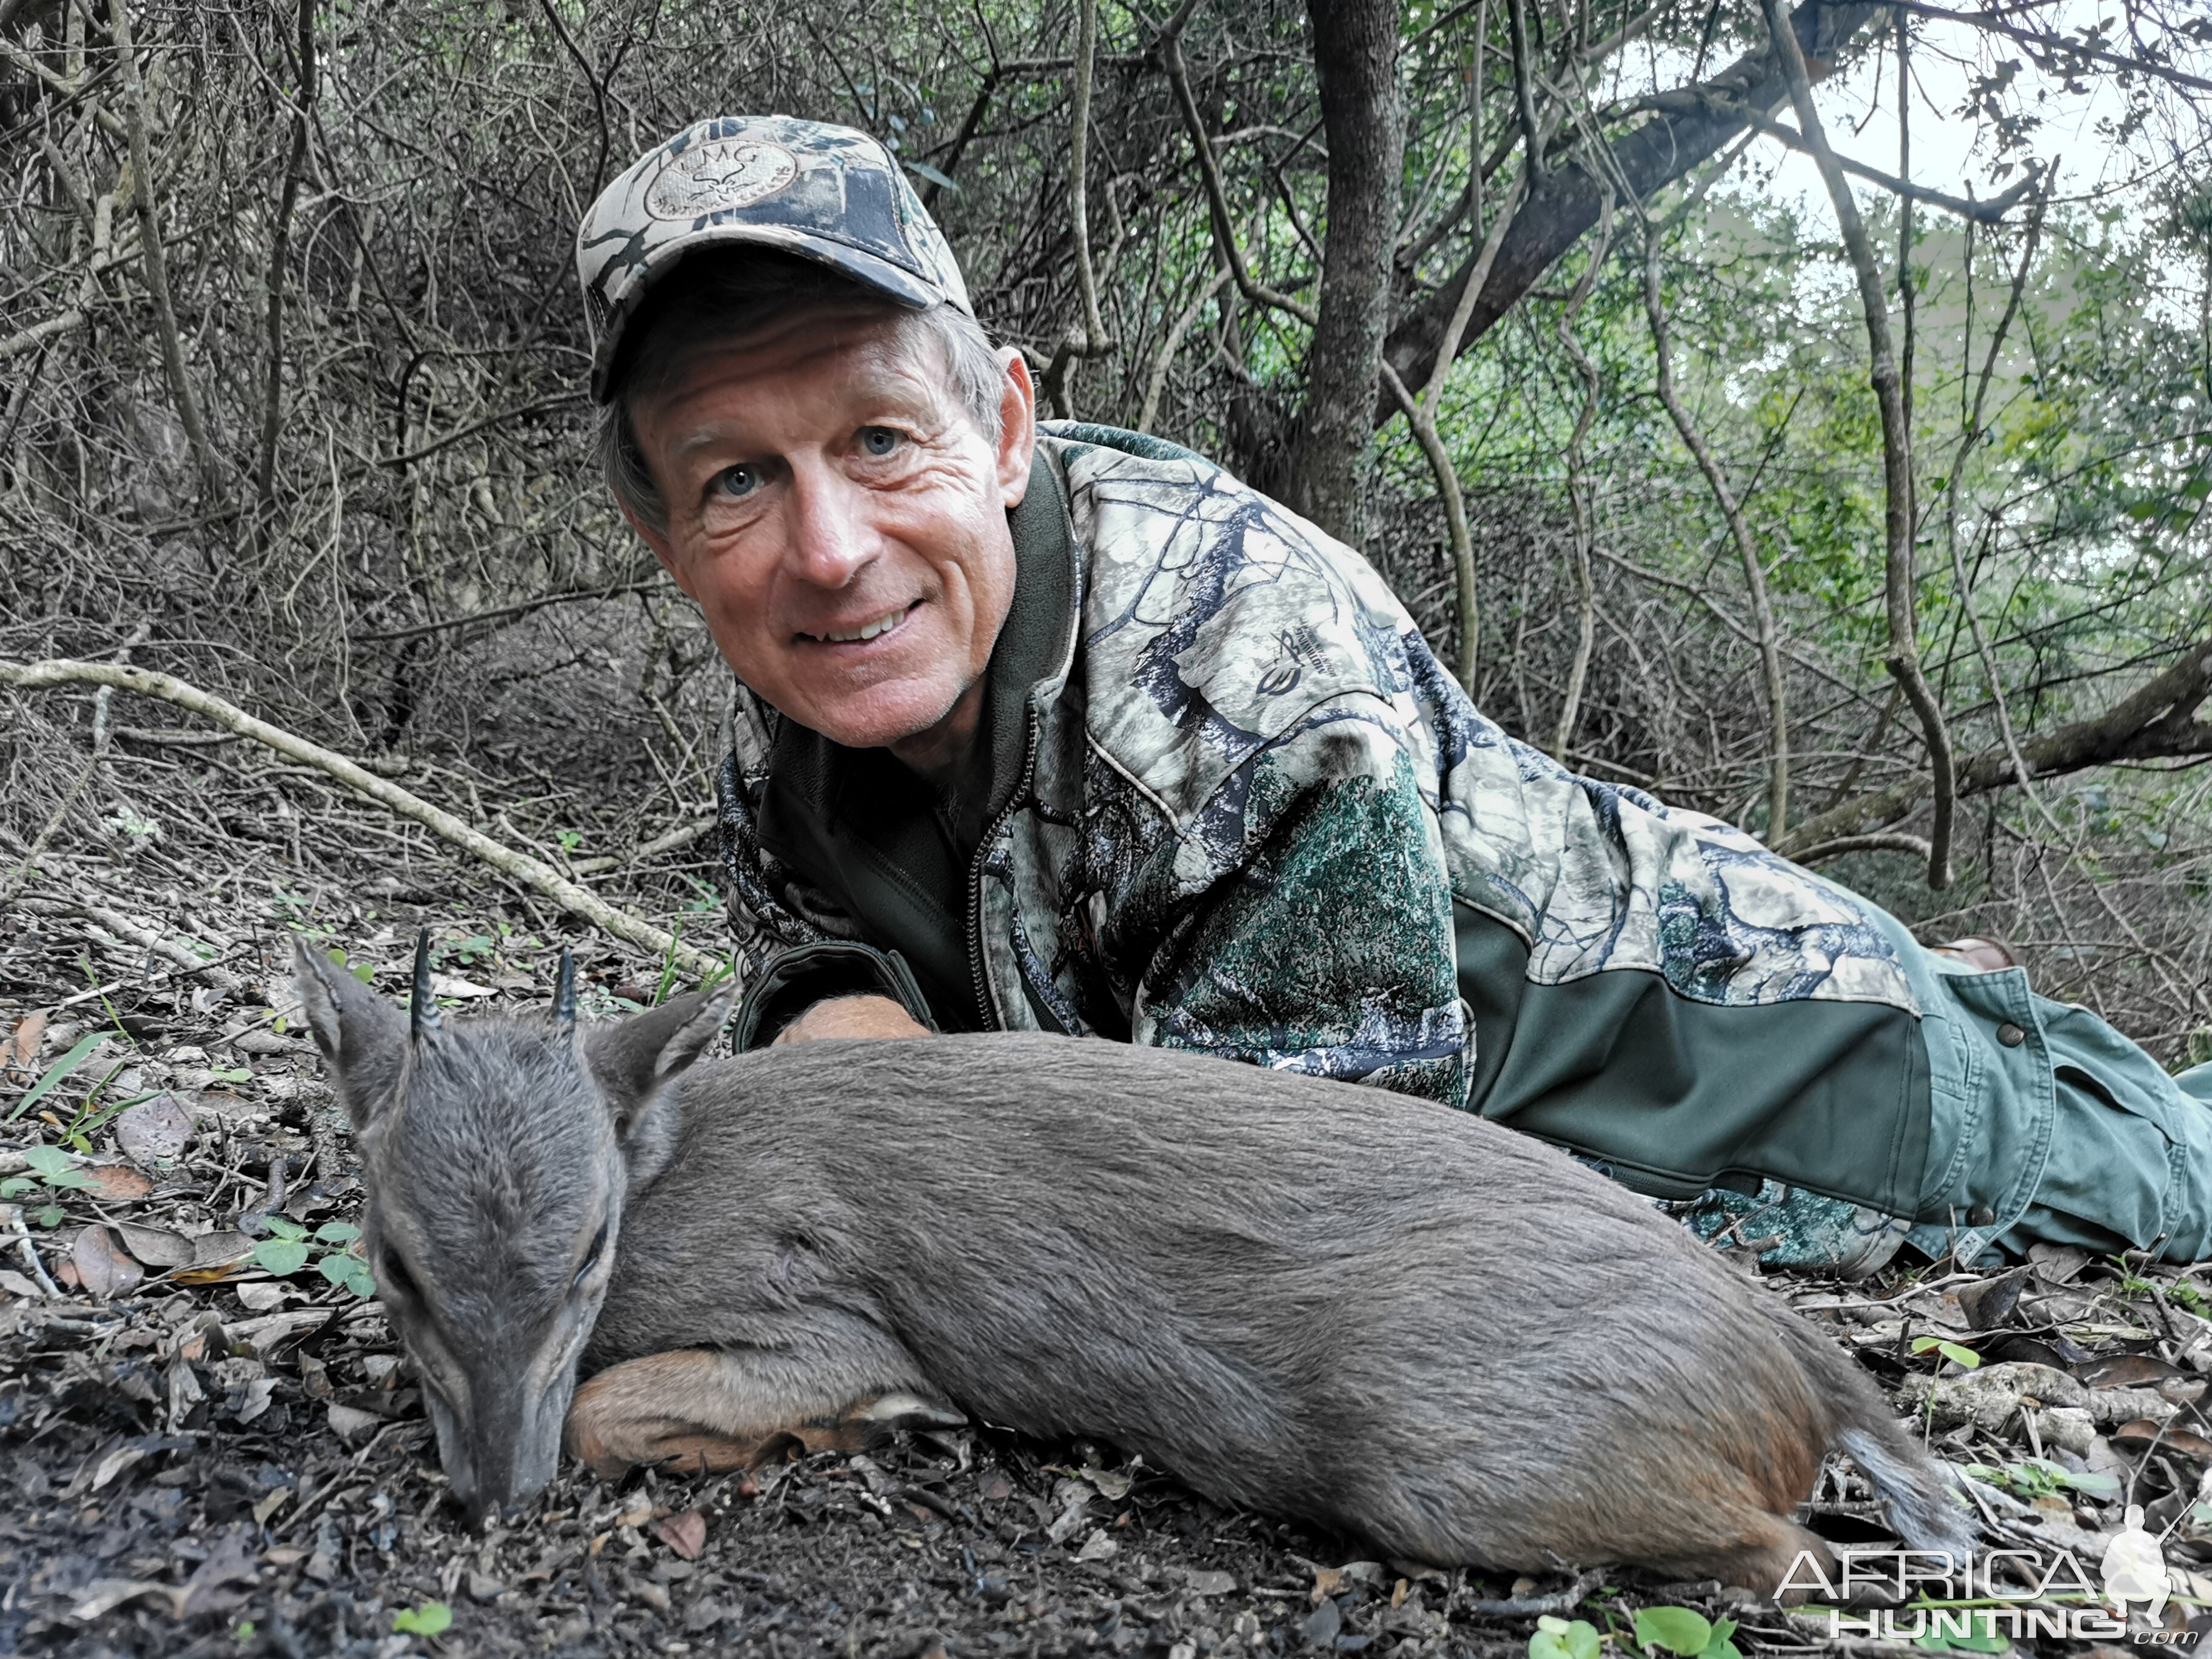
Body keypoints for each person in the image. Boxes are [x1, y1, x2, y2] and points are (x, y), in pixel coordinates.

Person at [574, 114, 2212, 1273]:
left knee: (2172, 1162)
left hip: (1791, 1093)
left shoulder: (1235, 673)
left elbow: (1268, 1235)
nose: (830, 548)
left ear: (1007, 429)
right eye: (735, 481)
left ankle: (1984, 1015)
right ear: (660, 530)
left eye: (877, 437)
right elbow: (817, 986)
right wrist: (835, 1040)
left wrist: (876, 1125)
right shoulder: (792, 708)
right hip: (1595, 1011)